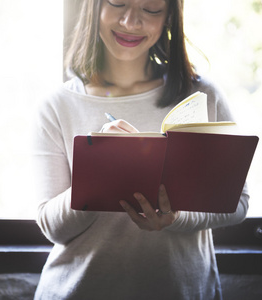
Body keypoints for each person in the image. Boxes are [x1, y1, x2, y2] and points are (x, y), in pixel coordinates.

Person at [32, 0, 249, 299]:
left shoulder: (202, 95)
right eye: (118, 2)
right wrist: (97, 168)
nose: (131, 22)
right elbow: (52, 228)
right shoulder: (57, 106)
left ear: (169, 17)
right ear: (94, 7)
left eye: (151, 9)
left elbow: (238, 203)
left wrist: (176, 218)